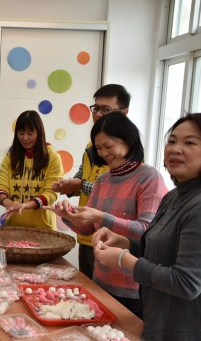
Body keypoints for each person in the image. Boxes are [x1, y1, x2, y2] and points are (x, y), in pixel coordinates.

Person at [93, 113, 201, 341]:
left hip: (192, 338)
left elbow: (186, 283)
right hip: (163, 325)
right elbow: (162, 248)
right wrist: (126, 242)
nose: (175, 149)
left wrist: (124, 260)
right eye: (172, 141)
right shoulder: (176, 195)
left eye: (190, 142)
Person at [47, 112, 167, 318]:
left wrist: (101, 217)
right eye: (99, 148)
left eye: (108, 146)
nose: (103, 153)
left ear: (128, 140)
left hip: (134, 289)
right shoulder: (103, 180)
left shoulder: (149, 177)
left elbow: (147, 232)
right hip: (101, 280)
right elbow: (87, 227)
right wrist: (67, 215)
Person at [53, 84, 131, 277]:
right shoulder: (91, 144)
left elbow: (116, 192)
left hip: (111, 239)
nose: (97, 114)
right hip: (86, 233)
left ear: (124, 112)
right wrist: (70, 185)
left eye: (105, 109)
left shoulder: (128, 149)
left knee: (109, 300)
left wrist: (81, 185)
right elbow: (83, 175)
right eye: (95, 108)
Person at [0, 110, 63, 229]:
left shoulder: (53, 157)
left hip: (43, 229)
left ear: (39, 133)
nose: (25, 138)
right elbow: (0, 186)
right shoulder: (10, 157)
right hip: (14, 227)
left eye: (30, 133)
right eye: (21, 133)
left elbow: (51, 193)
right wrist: (7, 202)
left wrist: (26, 205)